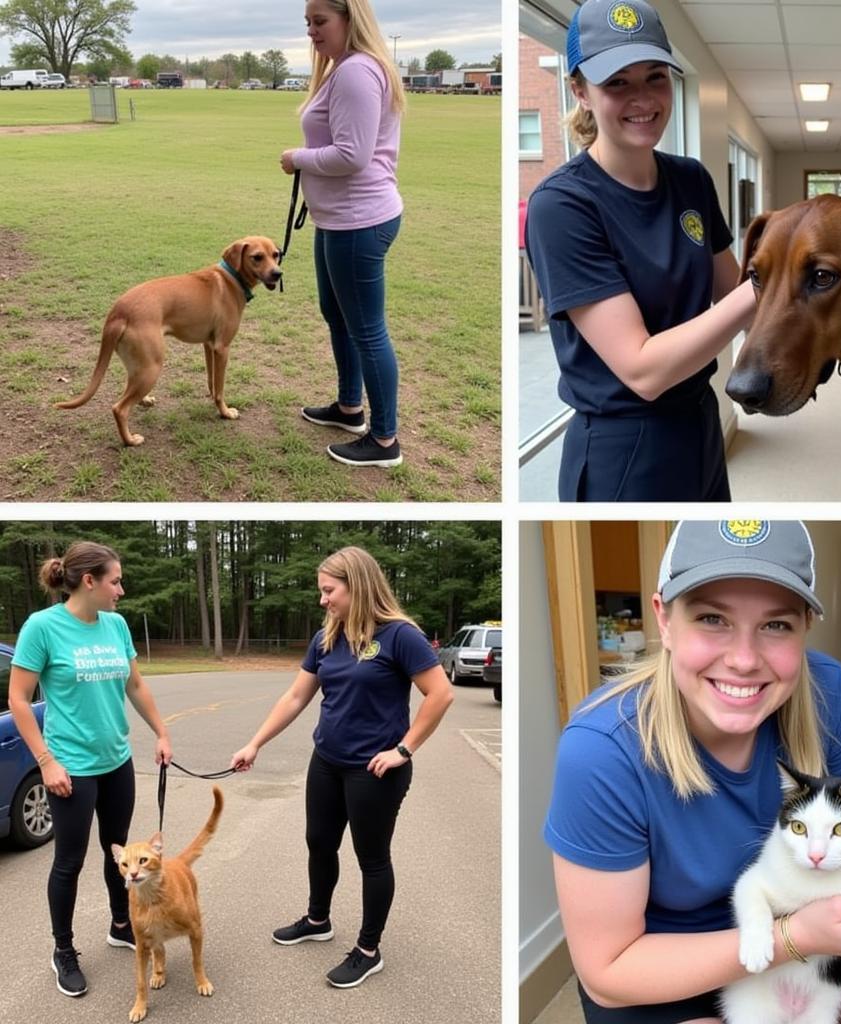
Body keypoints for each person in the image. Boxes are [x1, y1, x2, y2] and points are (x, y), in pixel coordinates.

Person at [545, 520, 841, 1023]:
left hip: (815, 950)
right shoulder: (601, 751)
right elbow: (607, 972)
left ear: (803, 629)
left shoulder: (826, 692)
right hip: (659, 974)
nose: (745, 659)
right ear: (663, 619)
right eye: (711, 618)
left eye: (776, 625)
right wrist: (790, 938)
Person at [525, 0, 758, 501]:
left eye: (655, 77)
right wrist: (771, 284)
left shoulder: (690, 179)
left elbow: (733, 293)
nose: (643, 98)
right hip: (626, 444)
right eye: (617, 83)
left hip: (700, 420)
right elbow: (643, 370)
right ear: (580, 91)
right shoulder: (562, 206)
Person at [230, 545, 454, 988]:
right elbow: (296, 697)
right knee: (319, 842)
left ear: (358, 585)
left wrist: (403, 751)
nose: (323, 600)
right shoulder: (327, 637)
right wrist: (255, 743)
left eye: (329, 590)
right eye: (321, 591)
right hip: (327, 761)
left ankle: (368, 950)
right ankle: (318, 920)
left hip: (374, 770)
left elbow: (441, 694)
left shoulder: (398, 636)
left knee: (371, 858)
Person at [8, 542, 173, 999]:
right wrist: (46, 761)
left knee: (116, 855)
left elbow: (135, 684)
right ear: (89, 582)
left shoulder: (116, 625)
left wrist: (161, 732)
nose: (121, 590)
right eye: (115, 581)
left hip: (116, 762)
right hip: (71, 768)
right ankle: (63, 950)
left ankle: (121, 924)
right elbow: (19, 699)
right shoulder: (43, 628)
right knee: (69, 861)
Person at [284, 0, 406, 468]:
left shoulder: (357, 72)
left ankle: (383, 440)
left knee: (368, 330)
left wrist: (297, 158)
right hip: (338, 218)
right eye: (308, 23)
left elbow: (352, 156)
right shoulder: (345, 69)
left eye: (320, 21)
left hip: (360, 221)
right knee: (336, 313)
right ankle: (349, 407)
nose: (312, 32)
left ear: (349, 20)